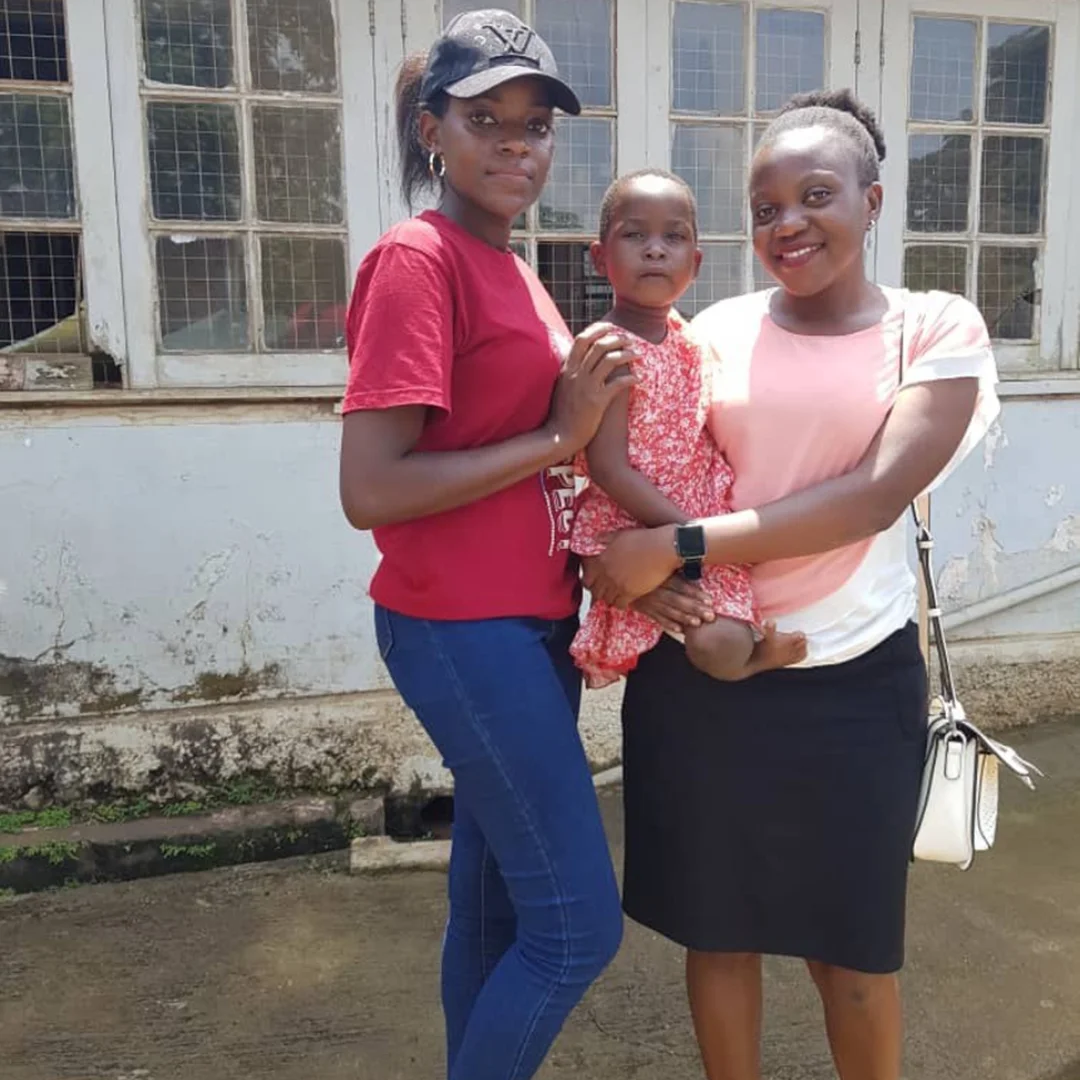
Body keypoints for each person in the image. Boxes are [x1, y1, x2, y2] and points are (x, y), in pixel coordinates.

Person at [584, 90, 1000, 1080]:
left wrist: (675, 544)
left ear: (872, 200)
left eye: (816, 195)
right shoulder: (710, 330)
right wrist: (644, 582)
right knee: (715, 935)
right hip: (700, 676)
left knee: (849, 952)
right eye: (765, 207)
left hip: (852, 684)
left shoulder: (935, 328)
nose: (788, 223)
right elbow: (638, 459)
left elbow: (871, 497)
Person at [338, 11, 637, 1080]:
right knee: (575, 928)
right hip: (460, 625)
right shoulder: (420, 261)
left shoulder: (509, 264)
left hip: (528, 619)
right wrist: (555, 434)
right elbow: (371, 489)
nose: (517, 145)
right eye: (487, 121)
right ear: (434, 133)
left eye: (535, 125)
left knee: (495, 905)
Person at [569, 168, 807, 687]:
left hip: (697, 516)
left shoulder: (692, 340)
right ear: (598, 257)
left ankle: (755, 654)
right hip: (635, 521)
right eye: (634, 235)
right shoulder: (607, 348)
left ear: (695, 264)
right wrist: (689, 536)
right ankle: (752, 657)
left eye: (673, 237)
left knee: (718, 642)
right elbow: (608, 469)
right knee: (709, 646)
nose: (655, 250)